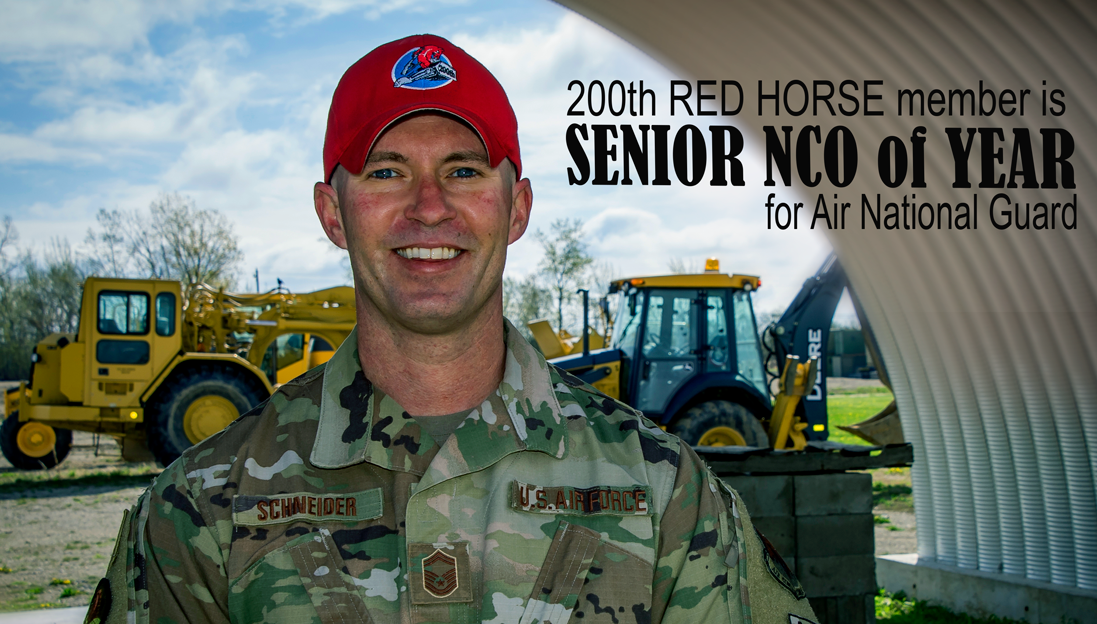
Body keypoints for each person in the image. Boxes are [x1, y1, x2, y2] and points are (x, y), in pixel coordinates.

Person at [86, 34, 818, 624]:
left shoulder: (664, 494)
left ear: (518, 207)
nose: (429, 207)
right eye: (387, 172)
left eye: (464, 170)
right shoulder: (201, 508)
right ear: (331, 213)